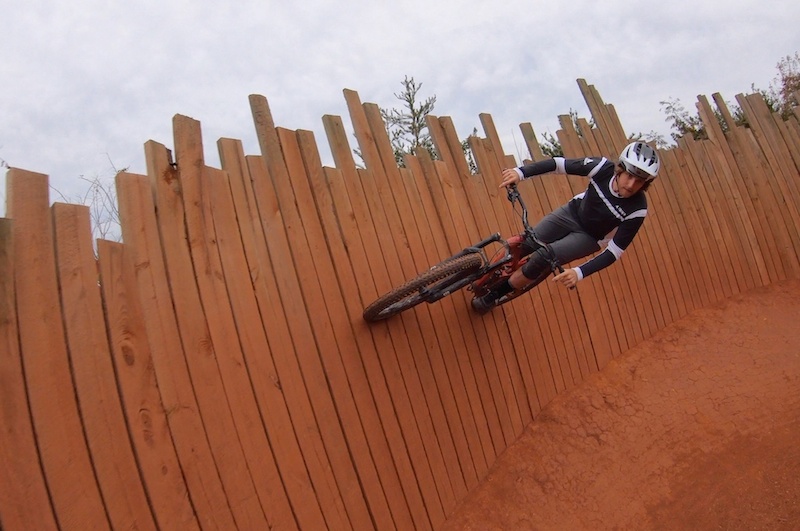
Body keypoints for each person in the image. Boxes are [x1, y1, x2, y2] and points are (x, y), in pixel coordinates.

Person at [471, 141, 660, 314]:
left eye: (640, 181)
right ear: (620, 169)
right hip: (571, 212)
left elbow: (614, 252)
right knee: (528, 241)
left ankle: (494, 295)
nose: (632, 184)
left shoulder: (637, 209)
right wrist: (520, 173)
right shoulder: (601, 168)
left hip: (590, 237)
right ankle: (485, 272)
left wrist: (579, 273)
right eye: (629, 175)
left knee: (543, 257)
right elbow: (558, 164)